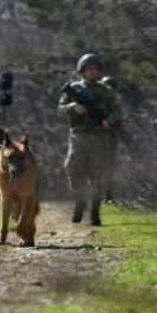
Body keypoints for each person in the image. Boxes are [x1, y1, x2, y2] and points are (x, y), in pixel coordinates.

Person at [57, 54, 119, 226]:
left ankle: (95, 212)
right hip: (78, 134)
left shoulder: (106, 92)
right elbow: (60, 109)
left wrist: (109, 120)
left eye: (96, 69)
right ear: (82, 71)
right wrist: (73, 107)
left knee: (97, 175)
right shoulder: (74, 89)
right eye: (89, 69)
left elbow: (117, 112)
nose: (93, 72)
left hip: (99, 136)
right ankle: (79, 200)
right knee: (73, 169)